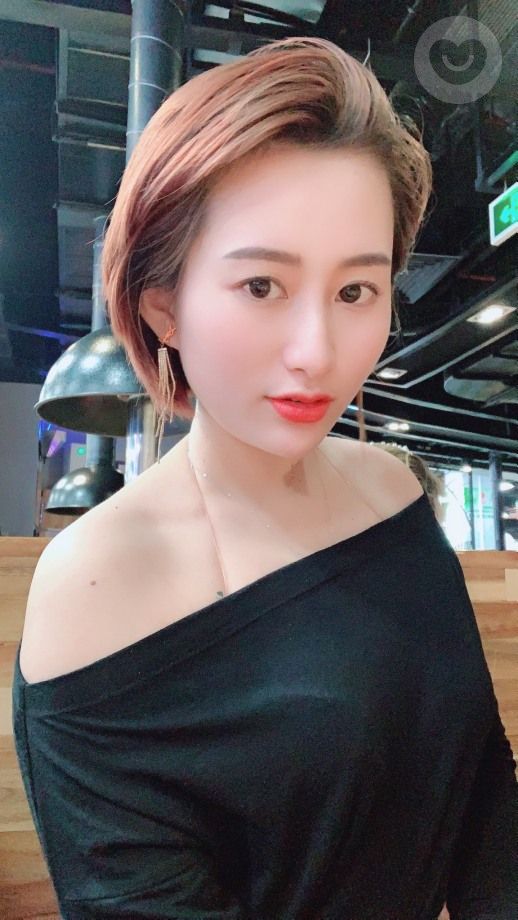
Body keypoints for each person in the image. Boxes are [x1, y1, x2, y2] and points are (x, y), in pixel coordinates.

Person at [12, 36, 517, 920]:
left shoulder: (391, 491)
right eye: (261, 287)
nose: (316, 353)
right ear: (163, 304)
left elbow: (479, 787)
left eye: (355, 293)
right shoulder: (99, 583)